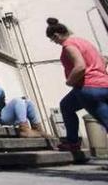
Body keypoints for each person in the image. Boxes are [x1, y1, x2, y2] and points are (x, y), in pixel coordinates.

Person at [46, 17, 108, 153]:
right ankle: (73, 142)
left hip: (89, 88)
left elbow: (80, 66)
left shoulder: (68, 45)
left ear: (56, 35)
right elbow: (104, 60)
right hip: (103, 84)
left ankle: (73, 142)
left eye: (53, 40)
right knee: (66, 106)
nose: (55, 42)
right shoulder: (83, 42)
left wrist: (70, 81)